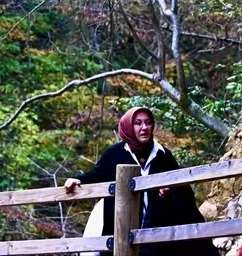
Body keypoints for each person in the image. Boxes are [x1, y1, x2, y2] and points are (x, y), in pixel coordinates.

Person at [64, 106, 216, 256]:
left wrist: (170, 193)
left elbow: (185, 194)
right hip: (122, 231)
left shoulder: (163, 155)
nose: (144, 128)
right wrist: (77, 180)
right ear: (128, 126)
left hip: (156, 234)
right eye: (138, 123)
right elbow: (97, 175)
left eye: (148, 122)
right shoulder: (116, 154)